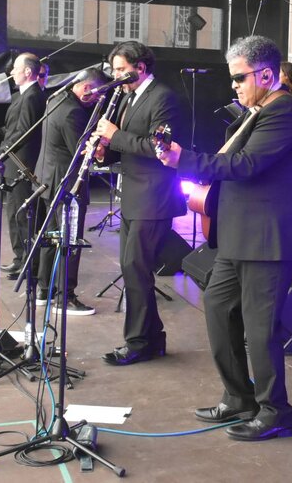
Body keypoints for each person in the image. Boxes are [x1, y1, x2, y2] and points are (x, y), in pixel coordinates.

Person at [157, 35, 292, 442]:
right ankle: (239, 397)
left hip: (267, 240)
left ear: (266, 74)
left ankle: (276, 412)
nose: (235, 85)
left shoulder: (285, 112)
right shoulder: (258, 112)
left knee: (260, 330)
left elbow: (245, 165)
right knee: (218, 307)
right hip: (238, 236)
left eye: (240, 77)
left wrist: (184, 160)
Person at [94, 41, 187, 365]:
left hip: (154, 197)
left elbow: (158, 148)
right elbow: (126, 146)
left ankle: (137, 343)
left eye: (121, 69)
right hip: (134, 196)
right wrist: (105, 150)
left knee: (135, 269)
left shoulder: (162, 97)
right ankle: (153, 339)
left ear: (141, 67)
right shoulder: (128, 97)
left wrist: (115, 135)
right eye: (114, 70)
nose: (116, 76)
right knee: (133, 269)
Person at [33, 67, 110, 315]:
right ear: (87, 88)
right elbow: (81, 151)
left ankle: (44, 290)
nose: (98, 100)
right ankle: (64, 297)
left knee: (51, 237)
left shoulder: (56, 99)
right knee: (69, 241)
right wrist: (102, 144)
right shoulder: (73, 112)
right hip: (66, 185)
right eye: (97, 95)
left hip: (47, 178)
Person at [0, 53, 46, 279]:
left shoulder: (33, 97)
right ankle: (20, 259)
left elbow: (22, 133)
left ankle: (30, 264)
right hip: (13, 163)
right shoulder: (21, 96)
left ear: (27, 71)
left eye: (15, 68)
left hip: (23, 164)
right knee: (14, 213)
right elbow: (11, 128)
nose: (11, 72)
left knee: (23, 215)